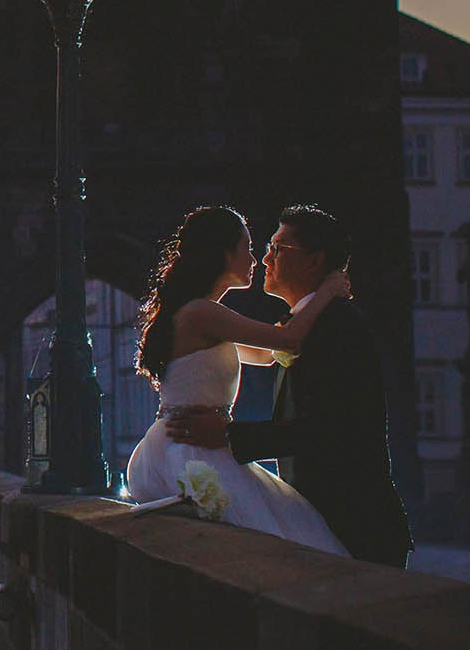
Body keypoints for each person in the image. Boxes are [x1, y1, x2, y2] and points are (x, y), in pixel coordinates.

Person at [164, 205, 413, 566]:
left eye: (278, 249)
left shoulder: (338, 327)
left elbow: (332, 429)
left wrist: (230, 436)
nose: (265, 258)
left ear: (314, 261)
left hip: (353, 524)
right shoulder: (303, 326)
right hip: (320, 519)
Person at [126, 205, 351, 555]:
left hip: (194, 441)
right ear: (223, 253)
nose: (256, 259)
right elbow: (288, 341)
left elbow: (264, 354)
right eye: (247, 247)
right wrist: (327, 292)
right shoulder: (202, 312)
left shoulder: (201, 314)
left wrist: (302, 311)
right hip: (192, 446)